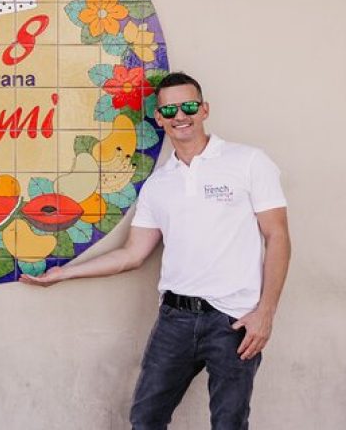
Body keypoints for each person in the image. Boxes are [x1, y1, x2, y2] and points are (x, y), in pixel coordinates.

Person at [20, 71, 290, 430]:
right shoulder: (158, 184)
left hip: (234, 320)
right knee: (146, 420)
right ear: (160, 118)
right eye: (171, 109)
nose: (181, 115)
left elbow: (278, 237)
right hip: (175, 321)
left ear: (205, 109)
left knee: (229, 424)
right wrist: (63, 274)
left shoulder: (249, 162)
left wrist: (265, 313)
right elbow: (133, 254)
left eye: (189, 105)